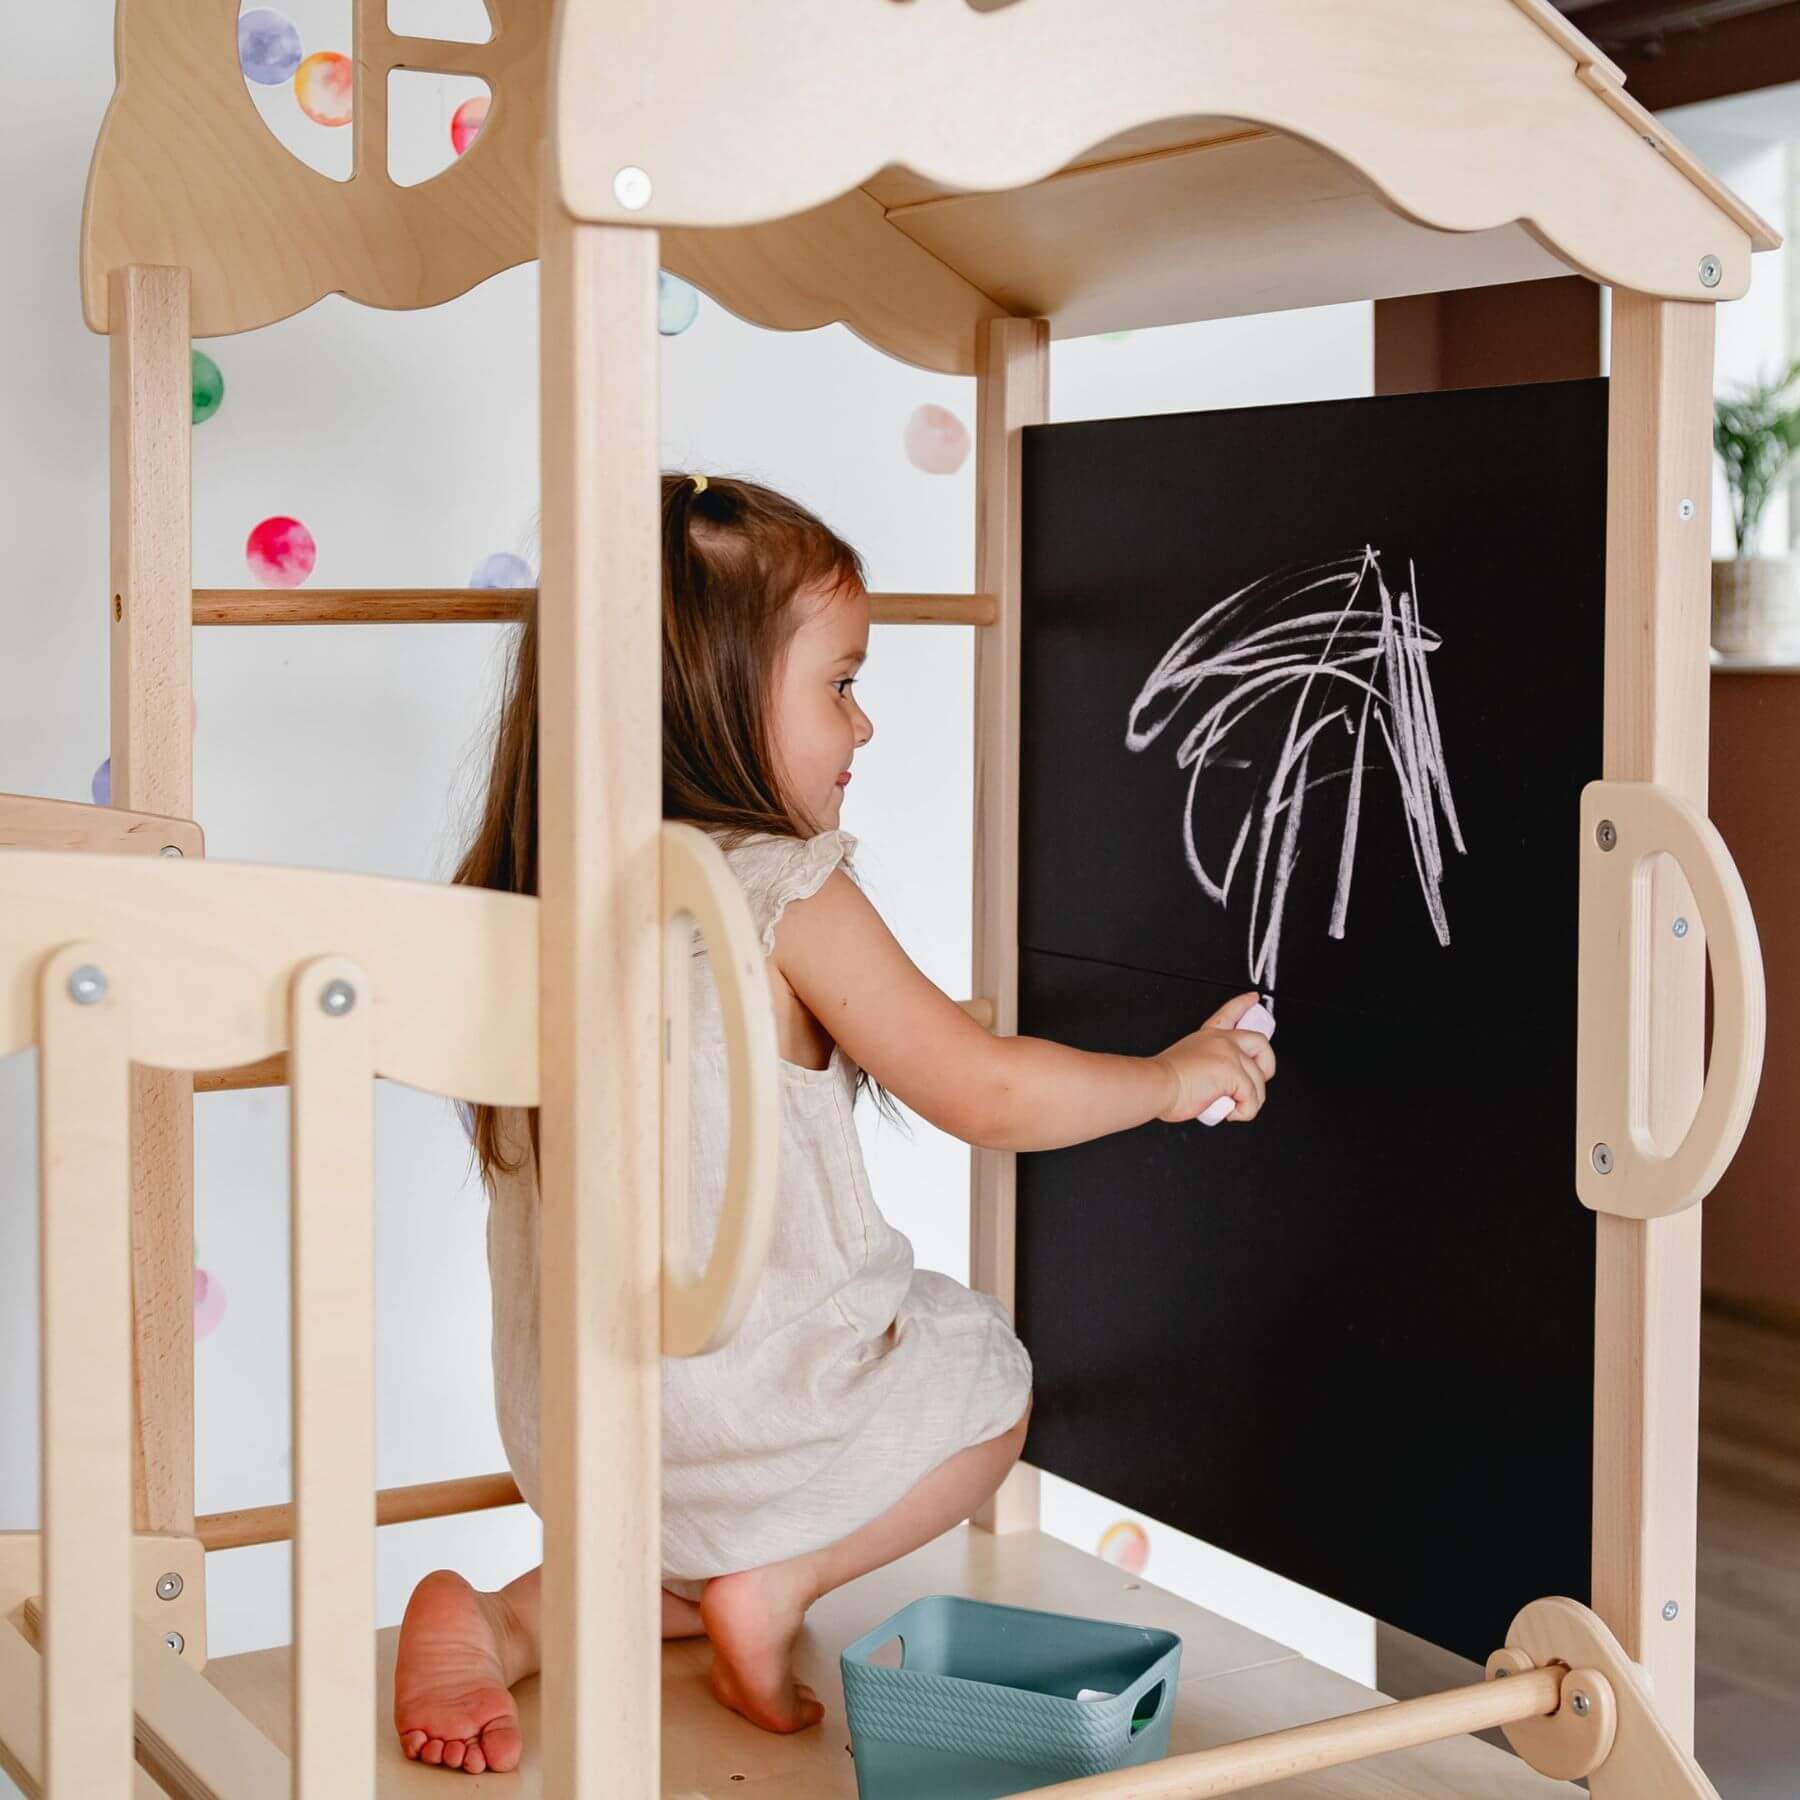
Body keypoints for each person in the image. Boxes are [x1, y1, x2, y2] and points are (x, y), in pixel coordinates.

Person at [391, 472, 1278, 1774]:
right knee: (986, 1377)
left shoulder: (542, 909)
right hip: (759, 1424)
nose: (862, 724)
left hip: (581, 1442)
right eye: (841, 682)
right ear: (710, 693)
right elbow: (985, 1090)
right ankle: (779, 1578)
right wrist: (1171, 1073)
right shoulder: (777, 892)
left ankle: (508, 1616)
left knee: (679, 1538)